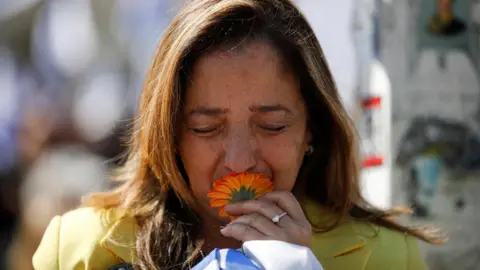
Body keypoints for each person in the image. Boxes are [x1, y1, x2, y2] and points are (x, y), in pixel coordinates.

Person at [33, 0, 444, 269]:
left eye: (272, 126)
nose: (240, 160)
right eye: (206, 128)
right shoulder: (79, 250)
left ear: (311, 130)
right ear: (170, 135)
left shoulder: (387, 257)